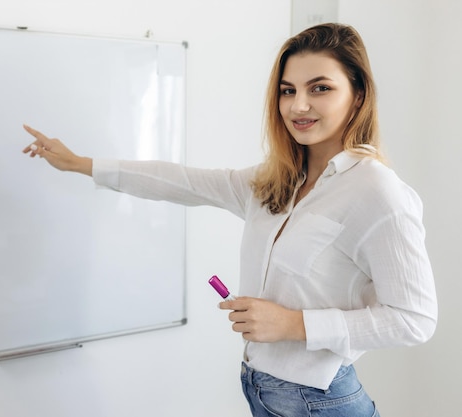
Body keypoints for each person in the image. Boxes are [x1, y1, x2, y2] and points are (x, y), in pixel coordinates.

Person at [22, 23, 437, 417]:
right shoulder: (275, 183)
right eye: (288, 90)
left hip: (322, 400)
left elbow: (414, 319)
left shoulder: (378, 192)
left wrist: (293, 324)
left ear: (358, 95)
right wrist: (82, 164)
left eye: (321, 88)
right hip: (261, 388)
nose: (299, 105)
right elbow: (184, 182)